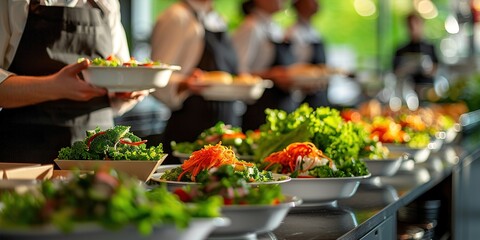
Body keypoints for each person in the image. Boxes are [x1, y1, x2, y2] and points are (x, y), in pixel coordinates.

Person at [0, 0, 147, 164]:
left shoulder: (107, 4)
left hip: (99, 149)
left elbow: (121, 74)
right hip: (25, 149)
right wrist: (52, 87)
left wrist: (126, 91)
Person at [150, 0, 240, 164]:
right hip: (193, 126)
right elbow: (156, 77)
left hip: (227, 123)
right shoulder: (177, 17)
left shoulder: (216, 18)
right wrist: (185, 82)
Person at [232, 0, 297, 131]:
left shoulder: (275, 27)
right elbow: (237, 71)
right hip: (260, 108)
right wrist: (271, 75)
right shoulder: (250, 26)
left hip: (281, 105)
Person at [286, 0, 329, 108]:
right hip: (304, 96)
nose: (317, 3)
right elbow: (294, 67)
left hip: (320, 91)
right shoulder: (293, 32)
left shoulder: (314, 30)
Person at [393, 12, 439, 100]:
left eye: (416, 24)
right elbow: (395, 72)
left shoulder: (430, 47)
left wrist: (426, 68)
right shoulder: (401, 50)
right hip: (406, 92)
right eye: (411, 25)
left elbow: (436, 68)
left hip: (427, 90)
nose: (414, 28)